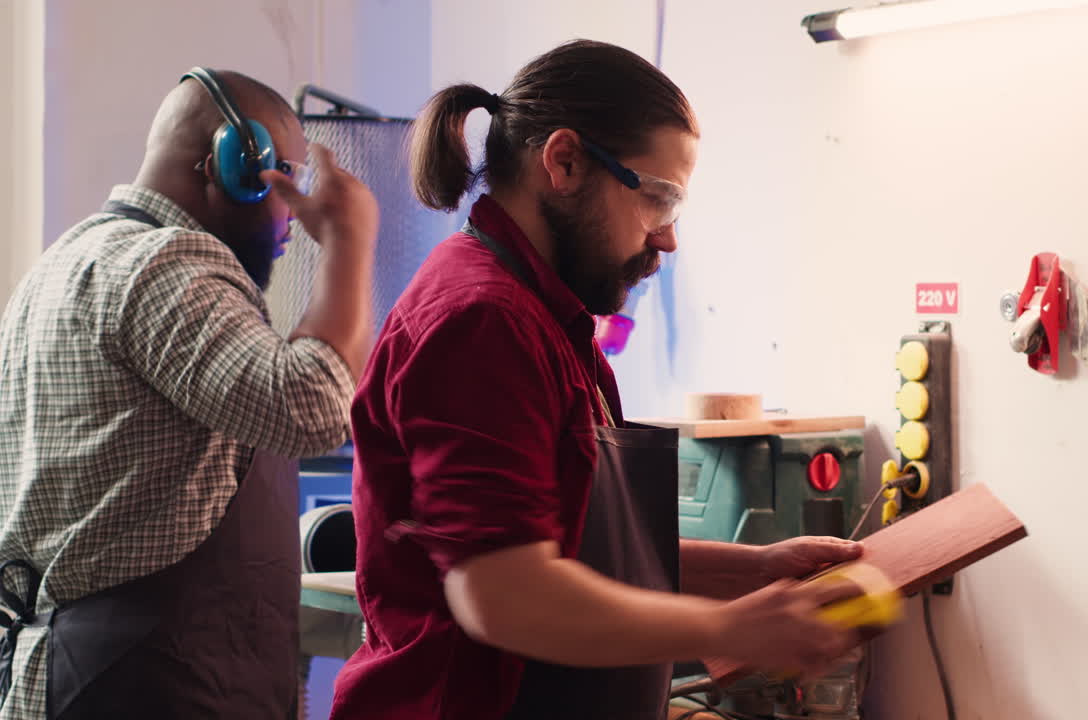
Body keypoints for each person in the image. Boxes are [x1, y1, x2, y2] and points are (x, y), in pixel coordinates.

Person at [331, 40, 867, 720]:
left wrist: (752, 571)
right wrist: (730, 628)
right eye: (658, 202)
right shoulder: (482, 321)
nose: (668, 239)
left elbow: (570, 542)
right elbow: (504, 594)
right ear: (564, 162)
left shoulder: (547, 319)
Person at [0, 67, 377, 719]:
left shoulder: (60, 264)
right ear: (229, 164)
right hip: (148, 686)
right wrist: (348, 244)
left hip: (85, 676)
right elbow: (312, 406)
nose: (293, 217)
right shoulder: (166, 262)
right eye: (286, 179)